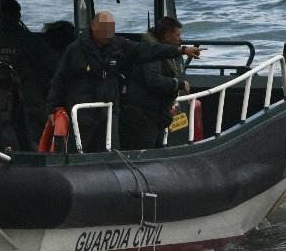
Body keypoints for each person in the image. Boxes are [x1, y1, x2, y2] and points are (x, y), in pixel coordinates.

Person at [46, 10, 201, 153]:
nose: (108, 32)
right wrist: (53, 107)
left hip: (108, 110)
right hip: (83, 112)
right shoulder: (75, 50)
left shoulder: (118, 45)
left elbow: (147, 50)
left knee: (109, 149)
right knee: (80, 150)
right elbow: (59, 79)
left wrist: (179, 50)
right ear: (93, 26)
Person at [0, 0, 59, 148]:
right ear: (18, 15)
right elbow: (54, 67)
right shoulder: (31, 41)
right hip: (29, 101)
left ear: (0, 15)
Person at [120, 15, 191, 149]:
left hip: (157, 112)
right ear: (167, 36)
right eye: (177, 35)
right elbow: (153, 80)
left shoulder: (166, 51)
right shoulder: (152, 52)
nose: (180, 39)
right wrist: (178, 84)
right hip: (144, 114)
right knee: (146, 151)